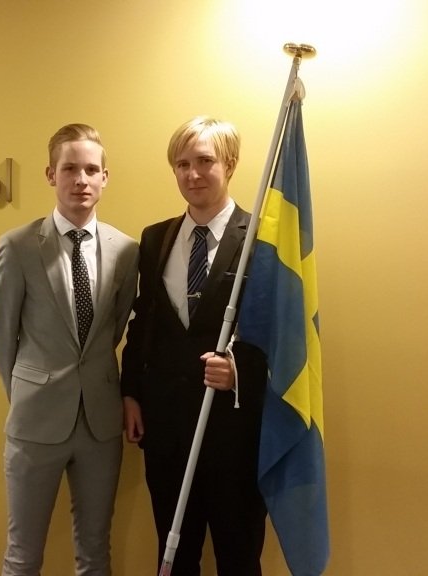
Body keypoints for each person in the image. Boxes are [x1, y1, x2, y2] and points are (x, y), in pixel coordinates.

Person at [0, 123, 139, 576]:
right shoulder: (17, 246)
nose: (81, 180)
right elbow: (1, 336)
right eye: (70, 168)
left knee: (95, 552)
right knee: (23, 555)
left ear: (105, 177)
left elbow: (114, 328)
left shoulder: (126, 250)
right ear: (51, 174)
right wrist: (30, 391)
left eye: (91, 170)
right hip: (35, 422)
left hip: (100, 424)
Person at [120, 116, 268, 575]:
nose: (192, 174)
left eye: (204, 161)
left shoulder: (262, 239)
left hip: (234, 434)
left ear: (230, 164)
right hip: (166, 430)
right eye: (182, 164)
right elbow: (144, 322)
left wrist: (239, 372)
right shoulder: (155, 238)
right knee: (174, 557)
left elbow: (283, 333)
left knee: (238, 557)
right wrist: (131, 393)